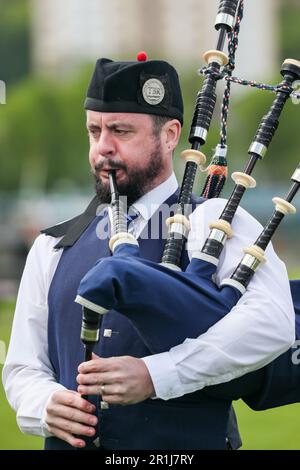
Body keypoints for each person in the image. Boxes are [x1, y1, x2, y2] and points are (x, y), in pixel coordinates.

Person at [2, 55, 295, 451]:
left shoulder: (215, 221)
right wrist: (45, 404)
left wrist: (156, 375)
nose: (103, 148)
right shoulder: (53, 246)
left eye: (121, 130)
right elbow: (23, 368)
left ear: (171, 135)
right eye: (94, 131)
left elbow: (273, 323)